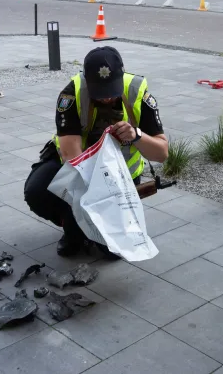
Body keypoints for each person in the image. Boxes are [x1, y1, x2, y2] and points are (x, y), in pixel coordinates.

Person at [24, 46, 169, 257]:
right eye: (100, 93)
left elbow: (161, 153)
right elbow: (71, 156)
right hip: (81, 171)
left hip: (122, 178)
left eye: (112, 91)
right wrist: (91, 199)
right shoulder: (71, 94)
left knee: (110, 253)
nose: (106, 98)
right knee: (36, 192)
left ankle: (93, 230)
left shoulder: (138, 92)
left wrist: (136, 134)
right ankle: (72, 228)